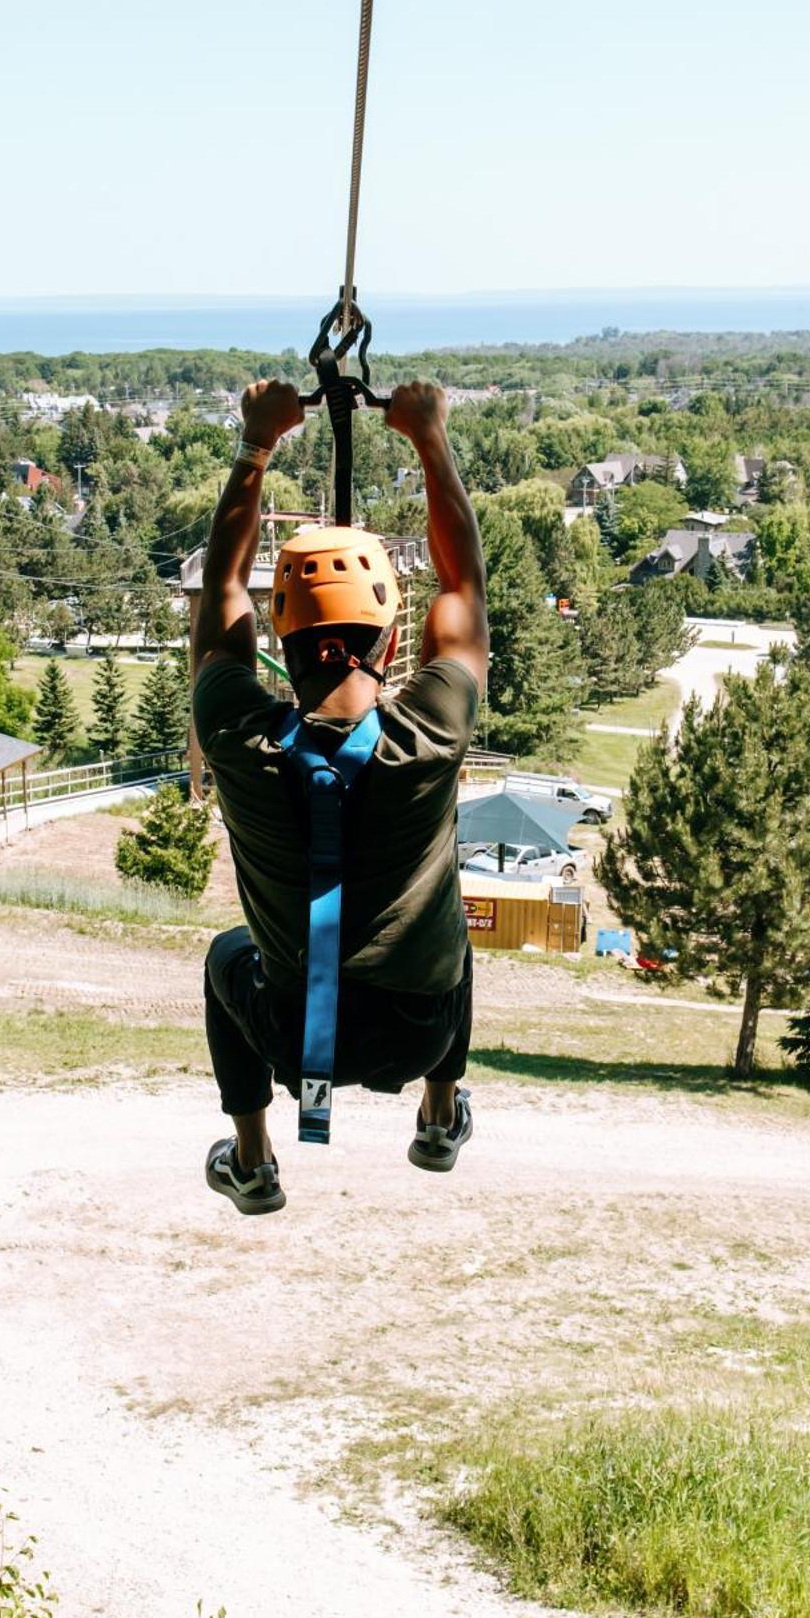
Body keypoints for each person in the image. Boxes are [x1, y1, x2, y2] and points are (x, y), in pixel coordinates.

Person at [192, 375, 489, 1215]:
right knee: (449, 931)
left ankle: (251, 1159)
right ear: (395, 641)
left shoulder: (237, 734)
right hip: (416, 1029)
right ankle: (438, 1112)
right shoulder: (429, 732)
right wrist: (429, 437)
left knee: (225, 958)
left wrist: (257, 444)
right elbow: (461, 592)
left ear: (279, 641)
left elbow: (220, 597)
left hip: (291, 1037)